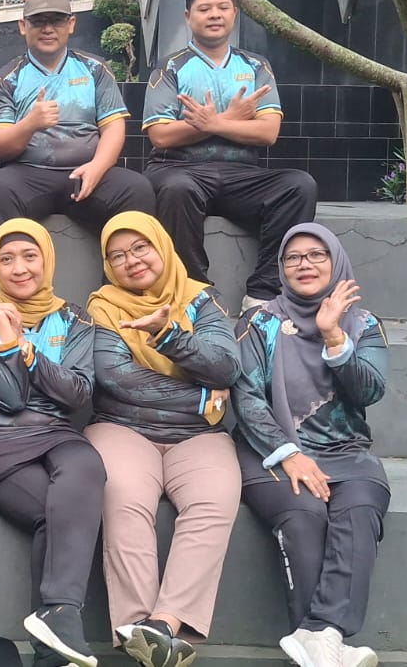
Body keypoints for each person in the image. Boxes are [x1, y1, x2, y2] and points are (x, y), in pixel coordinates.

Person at [83, 212, 241, 667]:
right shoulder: (104, 306)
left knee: (215, 498)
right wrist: (202, 398)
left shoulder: (200, 300)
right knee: (124, 496)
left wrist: (169, 335)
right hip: (122, 427)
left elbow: (226, 366)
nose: (131, 260)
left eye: (140, 248)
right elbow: (116, 378)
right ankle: (138, 626)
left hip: (198, 437)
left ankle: (162, 625)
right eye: (118, 255)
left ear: (162, 247)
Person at [0, 219, 105, 667]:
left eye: (29, 256)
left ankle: (59, 615)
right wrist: (6, 340)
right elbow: (8, 397)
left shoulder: (75, 318)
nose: (19, 268)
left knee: (88, 466)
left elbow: (77, 393)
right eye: (7, 259)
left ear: (47, 260)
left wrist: (27, 351)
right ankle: (56, 647)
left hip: (52, 431)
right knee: (57, 513)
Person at [232, 224, 388, 667]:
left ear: (335, 262)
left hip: (346, 451)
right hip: (269, 451)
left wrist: (333, 335)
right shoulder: (258, 322)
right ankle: (327, 643)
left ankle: (320, 634)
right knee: (304, 513)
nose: (304, 264)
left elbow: (370, 391)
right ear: (281, 268)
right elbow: (246, 398)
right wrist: (290, 454)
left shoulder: (364, 324)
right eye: (293, 257)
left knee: (360, 508)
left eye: (317, 255)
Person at [142, 0, 317, 312]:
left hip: (242, 174)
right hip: (180, 167)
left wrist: (214, 123)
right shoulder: (171, 68)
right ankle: (194, 292)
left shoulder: (255, 66)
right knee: (177, 189)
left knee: (299, 186)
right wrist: (233, 120)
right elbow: (160, 135)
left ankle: (264, 291)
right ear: (188, 16)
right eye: (204, 8)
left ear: (235, 13)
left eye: (223, 7)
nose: (214, 14)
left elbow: (268, 132)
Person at [0, 0, 154, 238]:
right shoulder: (6, 79)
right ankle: (14, 264)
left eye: (57, 20)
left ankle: (124, 265)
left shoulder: (95, 69)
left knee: (137, 189)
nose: (48, 29)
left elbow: (113, 127)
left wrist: (97, 167)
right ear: (23, 26)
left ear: (71, 24)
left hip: (88, 171)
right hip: (28, 173)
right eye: (39, 21)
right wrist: (30, 124)